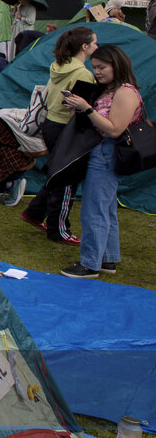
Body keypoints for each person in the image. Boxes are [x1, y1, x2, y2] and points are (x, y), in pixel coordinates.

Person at [60, 43, 143, 278]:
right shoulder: (108, 89)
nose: (97, 72)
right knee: (105, 208)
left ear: (116, 64)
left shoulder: (125, 92)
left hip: (108, 151)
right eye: (94, 67)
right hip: (101, 150)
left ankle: (89, 264)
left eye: (102, 67)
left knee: (93, 210)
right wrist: (78, 107)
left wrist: (86, 109)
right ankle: (106, 259)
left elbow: (115, 129)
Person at [21, 27, 98, 245]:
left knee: (57, 173)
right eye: (94, 43)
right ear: (84, 47)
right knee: (67, 179)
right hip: (67, 127)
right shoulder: (83, 73)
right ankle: (59, 229)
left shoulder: (59, 66)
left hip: (51, 123)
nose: (96, 47)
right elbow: (81, 108)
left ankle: (35, 212)